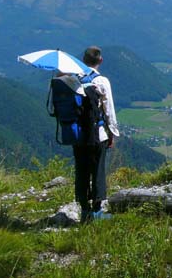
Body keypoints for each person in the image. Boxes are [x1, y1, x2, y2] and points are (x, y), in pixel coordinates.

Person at [73, 45, 119, 222]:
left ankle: (84, 211)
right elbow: (109, 110)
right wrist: (112, 133)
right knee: (97, 170)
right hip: (97, 134)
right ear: (100, 60)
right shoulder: (101, 81)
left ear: (83, 59)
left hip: (77, 135)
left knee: (81, 170)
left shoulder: (73, 78)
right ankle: (97, 212)